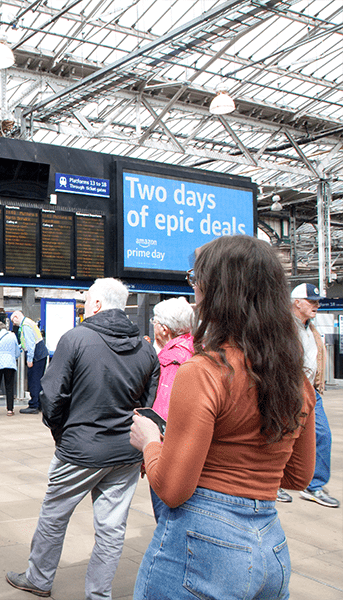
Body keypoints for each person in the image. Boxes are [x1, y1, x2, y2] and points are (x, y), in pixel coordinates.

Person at [130, 235, 317, 600]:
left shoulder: (203, 372)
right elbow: (298, 476)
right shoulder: (297, 379)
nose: (194, 291)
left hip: (204, 549)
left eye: (196, 280)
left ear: (217, 291)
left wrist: (150, 440)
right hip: (272, 548)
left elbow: (171, 489)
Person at [7, 278, 160, 599]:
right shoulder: (146, 348)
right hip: (126, 454)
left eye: (87, 299)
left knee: (54, 515)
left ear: (99, 304)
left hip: (79, 450)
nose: (85, 305)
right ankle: (98, 594)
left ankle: (38, 578)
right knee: (112, 530)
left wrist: (63, 435)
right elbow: (148, 405)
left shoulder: (75, 339)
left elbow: (51, 397)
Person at [282, 283, 339, 508]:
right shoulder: (283, 327)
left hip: (310, 391)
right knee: (279, 435)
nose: (317, 305)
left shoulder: (311, 328)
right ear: (297, 303)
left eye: (317, 301)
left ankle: (313, 487)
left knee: (322, 435)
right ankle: (273, 483)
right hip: (286, 389)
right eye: (312, 301)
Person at [147, 296, 195, 522]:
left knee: (166, 519)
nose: (153, 325)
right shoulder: (199, 350)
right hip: (194, 451)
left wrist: (150, 452)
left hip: (170, 457)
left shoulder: (170, 360)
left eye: (155, 321)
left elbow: (162, 416)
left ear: (164, 329)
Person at [10, 310, 47, 414]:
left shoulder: (25, 325)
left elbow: (30, 344)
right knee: (38, 380)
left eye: (13, 321)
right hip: (41, 355)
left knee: (33, 380)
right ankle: (39, 404)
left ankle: (34, 405)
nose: (14, 324)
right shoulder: (28, 322)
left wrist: (29, 359)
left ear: (17, 317)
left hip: (36, 356)